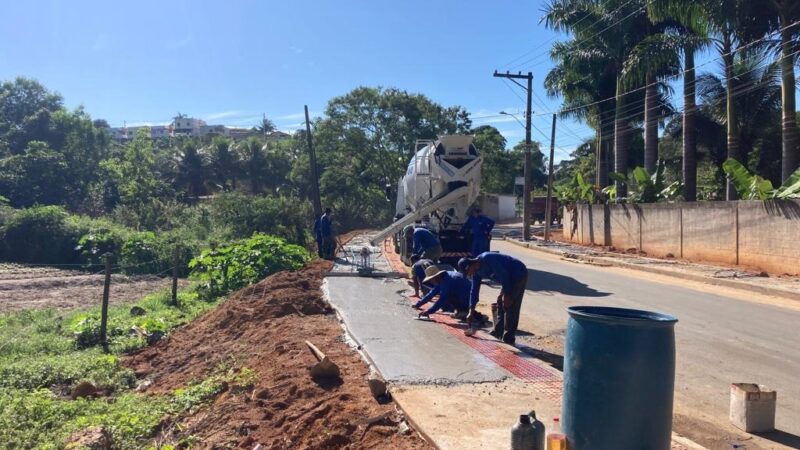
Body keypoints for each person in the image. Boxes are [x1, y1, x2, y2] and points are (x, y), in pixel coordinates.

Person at [458, 252, 528, 345]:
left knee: (511, 304)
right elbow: (474, 290)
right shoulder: (476, 272)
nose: (469, 274)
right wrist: (471, 310)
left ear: (471, 265)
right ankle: (498, 331)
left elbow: (504, 275)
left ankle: (509, 337)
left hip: (518, 274)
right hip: (507, 278)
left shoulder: (487, 259)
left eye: (468, 272)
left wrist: (507, 295)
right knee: (500, 302)